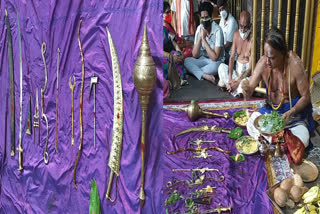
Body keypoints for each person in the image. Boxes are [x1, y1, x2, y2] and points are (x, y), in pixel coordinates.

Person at [242, 28, 315, 148]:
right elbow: (249, 91)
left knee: (303, 139)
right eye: (266, 56)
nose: (267, 62)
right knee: (251, 123)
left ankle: (272, 141)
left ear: (283, 53)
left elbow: (306, 97)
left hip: (292, 115)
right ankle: (278, 142)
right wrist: (246, 89)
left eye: (272, 57)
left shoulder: (295, 65)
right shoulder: (263, 63)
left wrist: (291, 112)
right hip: (270, 113)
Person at [184, 2, 224, 84]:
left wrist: (204, 39)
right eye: (202, 18)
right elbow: (194, 55)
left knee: (216, 67)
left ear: (211, 17)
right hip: (202, 59)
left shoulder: (218, 30)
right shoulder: (199, 28)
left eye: (206, 17)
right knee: (187, 61)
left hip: (214, 62)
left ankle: (194, 72)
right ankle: (205, 75)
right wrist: (200, 38)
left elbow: (215, 57)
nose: (204, 20)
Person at [217, 11, 252, 97]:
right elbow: (232, 58)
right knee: (221, 67)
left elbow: (250, 69)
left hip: (245, 76)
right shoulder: (236, 34)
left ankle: (231, 88)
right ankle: (231, 85)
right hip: (236, 73)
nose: (243, 30)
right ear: (238, 22)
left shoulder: (252, 39)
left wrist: (238, 81)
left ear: (250, 26)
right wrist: (230, 78)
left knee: (245, 84)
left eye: (245, 27)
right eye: (241, 26)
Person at [163, 1, 187, 87]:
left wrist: (179, 53)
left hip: (170, 53)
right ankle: (174, 80)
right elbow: (157, 49)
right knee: (170, 61)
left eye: (170, 12)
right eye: (167, 12)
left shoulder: (167, 28)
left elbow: (174, 43)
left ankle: (180, 79)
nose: (169, 14)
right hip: (162, 55)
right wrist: (171, 57)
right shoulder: (154, 29)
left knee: (178, 55)